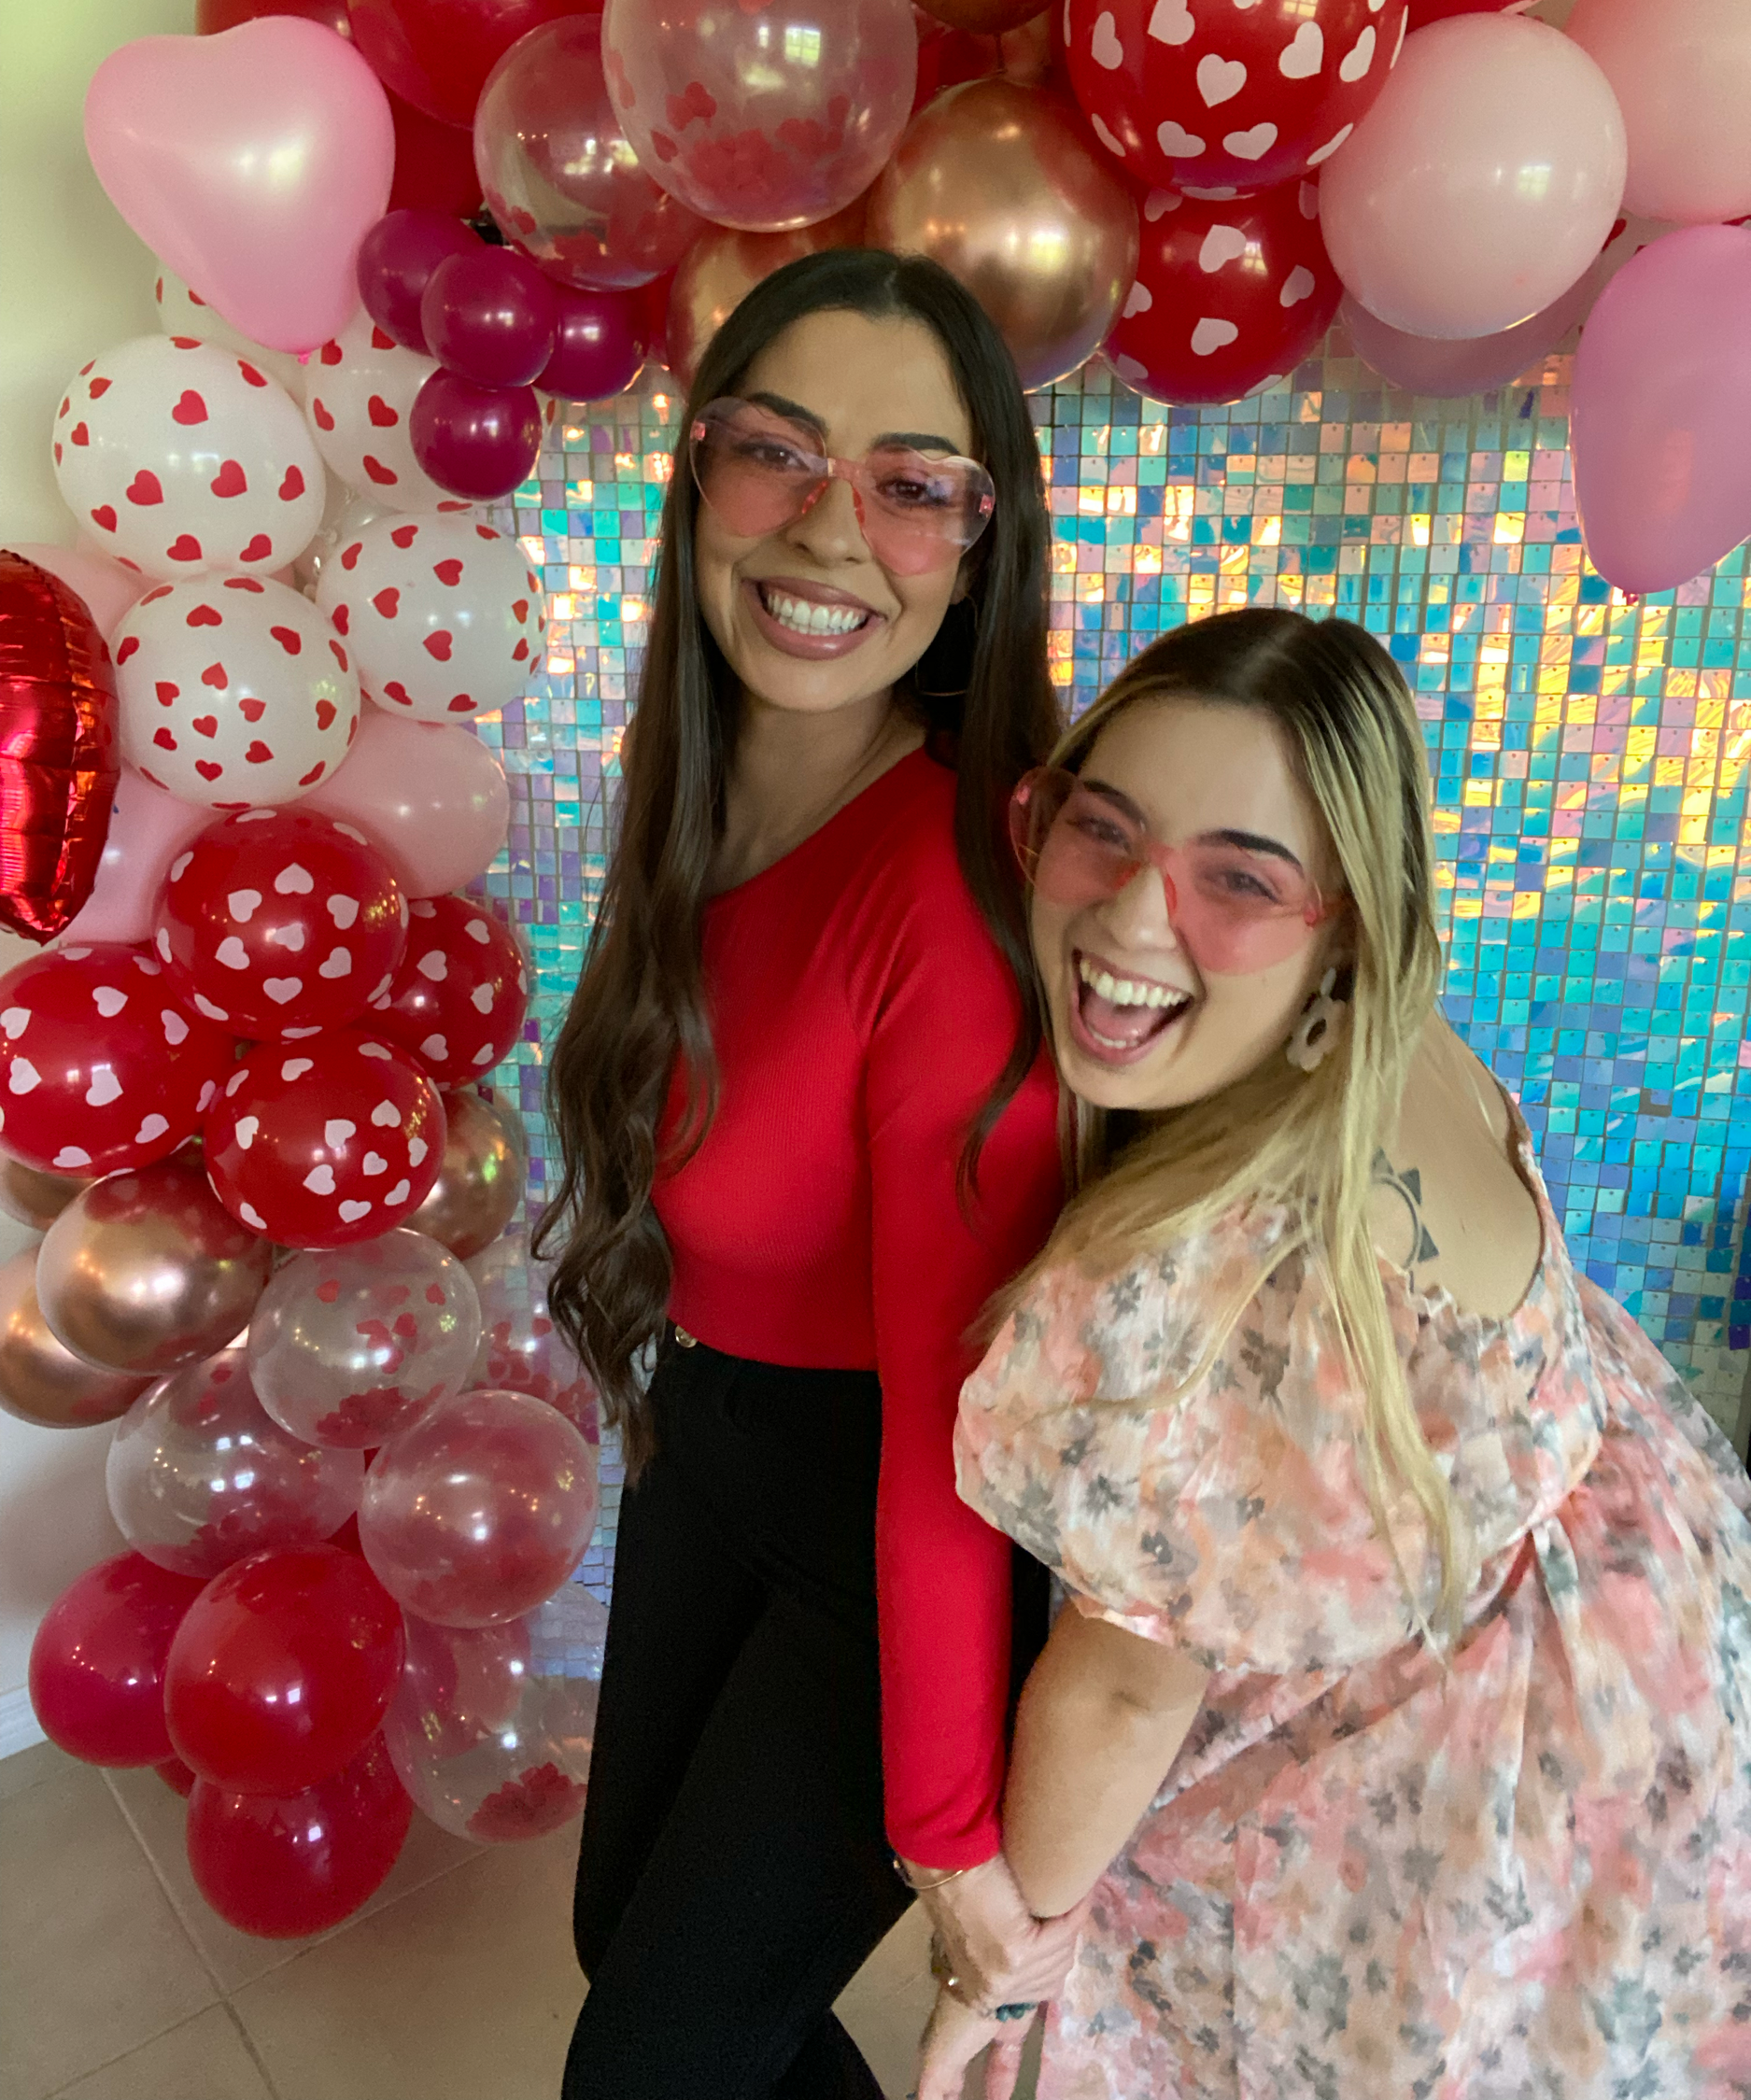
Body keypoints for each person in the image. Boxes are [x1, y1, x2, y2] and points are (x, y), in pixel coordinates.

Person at [918, 606, 1751, 2099]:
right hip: (1657, 1682)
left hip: (1447, 1787)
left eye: (1237, 879)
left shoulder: (1176, 1265)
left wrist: (1001, 1961)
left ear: (1348, 922)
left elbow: (1119, 1693)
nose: (1131, 922)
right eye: (1100, 829)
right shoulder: (1407, 1038)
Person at [542, 247, 1085, 2099]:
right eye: (778, 449)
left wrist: (947, 1833)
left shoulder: (946, 888)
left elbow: (952, 1418)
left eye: (912, 481)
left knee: (649, 2067)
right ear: (697, 475)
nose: (832, 527)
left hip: (894, 1528)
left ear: (977, 545)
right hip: (714, 1442)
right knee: (642, 1962)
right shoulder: (694, 787)